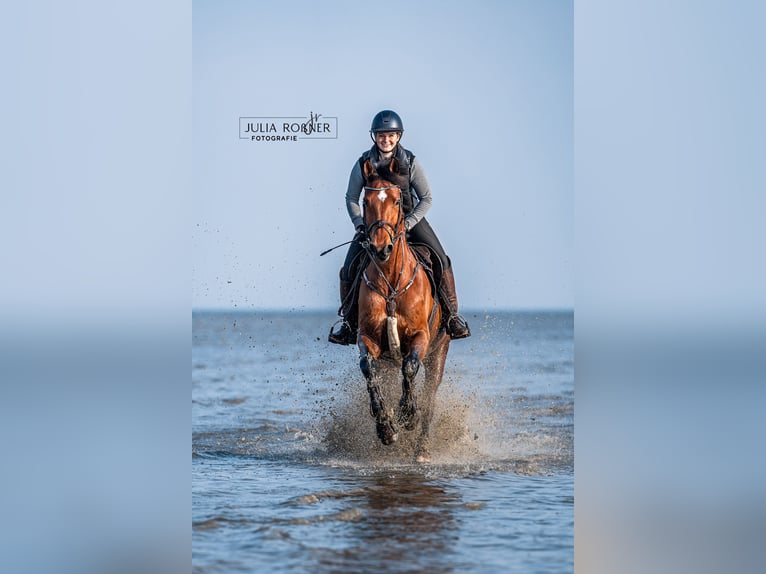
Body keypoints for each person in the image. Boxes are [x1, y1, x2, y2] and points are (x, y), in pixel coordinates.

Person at [328, 110, 471, 345]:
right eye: (381, 135)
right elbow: (351, 198)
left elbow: (427, 198)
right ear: (374, 137)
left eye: (391, 135)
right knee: (349, 267)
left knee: (441, 259)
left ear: (398, 136)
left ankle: (452, 317)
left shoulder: (410, 162)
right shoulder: (363, 163)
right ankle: (348, 324)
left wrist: (408, 223)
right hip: (374, 226)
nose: (386, 140)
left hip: (409, 221)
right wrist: (360, 224)